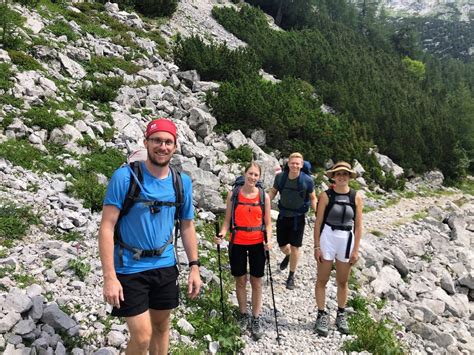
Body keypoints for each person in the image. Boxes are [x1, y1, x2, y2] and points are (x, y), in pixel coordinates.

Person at [98, 118, 202, 355]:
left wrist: (194, 266)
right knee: (143, 336)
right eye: (156, 140)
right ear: (146, 142)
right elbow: (106, 226)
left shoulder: (181, 182)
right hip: (129, 267)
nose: (162, 146)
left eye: (168, 141)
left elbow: (187, 226)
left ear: (175, 147)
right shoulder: (125, 177)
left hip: (165, 266)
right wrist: (109, 277)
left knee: (162, 327)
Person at [215, 162, 272, 340]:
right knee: (240, 280)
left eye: (256, 175)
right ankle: (243, 314)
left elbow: (268, 224)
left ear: (259, 177)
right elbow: (227, 221)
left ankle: (255, 317)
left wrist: (268, 240)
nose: (253, 177)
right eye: (250, 174)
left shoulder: (264, 196)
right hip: (237, 241)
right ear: (245, 173)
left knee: (256, 282)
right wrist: (222, 234)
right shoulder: (233, 195)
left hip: (257, 243)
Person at [313, 161, 363, 336]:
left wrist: (356, 250)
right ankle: (321, 314)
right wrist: (317, 246)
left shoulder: (356, 197)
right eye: (338, 174)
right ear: (333, 176)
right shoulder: (326, 196)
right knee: (322, 279)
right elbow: (318, 223)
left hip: (346, 239)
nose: (342, 177)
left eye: (345, 174)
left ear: (349, 176)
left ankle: (341, 313)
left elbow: (358, 226)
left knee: (343, 281)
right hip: (328, 236)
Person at [268, 152, 317, 290]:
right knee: (283, 245)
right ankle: (288, 255)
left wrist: (318, 212)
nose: (295, 166)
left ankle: (291, 276)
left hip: (298, 217)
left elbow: (313, 198)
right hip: (283, 215)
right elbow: (273, 191)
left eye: (297, 163)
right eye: (292, 163)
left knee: (296, 246)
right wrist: (265, 202)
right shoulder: (280, 177)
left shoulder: (307, 180)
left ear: (301, 165)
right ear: (288, 163)